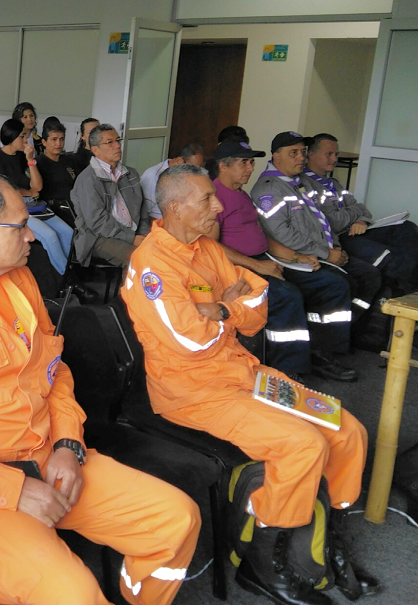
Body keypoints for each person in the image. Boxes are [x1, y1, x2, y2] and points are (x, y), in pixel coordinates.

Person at [0, 171, 200, 605]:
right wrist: (13, 488)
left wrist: (69, 443)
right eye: (21, 225)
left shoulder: (19, 279)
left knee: (177, 520)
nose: (32, 236)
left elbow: (54, 372)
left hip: (49, 458)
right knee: (75, 595)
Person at [122, 163, 372, 605]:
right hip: (195, 392)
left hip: (244, 373)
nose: (218, 206)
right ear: (176, 207)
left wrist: (219, 310)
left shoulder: (206, 248)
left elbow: (258, 302)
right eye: (207, 200)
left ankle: (318, 546)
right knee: (302, 445)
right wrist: (228, 306)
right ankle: (262, 561)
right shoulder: (152, 266)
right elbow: (189, 340)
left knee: (347, 431)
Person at [211, 140, 356, 382]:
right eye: (243, 162)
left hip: (267, 259)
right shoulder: (215, 197)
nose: (250, 168)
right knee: (287, 296)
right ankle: (286, 369)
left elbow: (264, 236)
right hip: (241, 268)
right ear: (223, 166)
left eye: (251, 162)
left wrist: (297, 257)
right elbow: (211, 246)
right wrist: (257, 265)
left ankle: (321, 354)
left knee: (332, 283)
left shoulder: (242, 194)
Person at [251, 132, 382, 349]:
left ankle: (351, 333)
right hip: (293, 258)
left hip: (322, 251)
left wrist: (335, 247)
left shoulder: (299, 183)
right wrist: (327, 254)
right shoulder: (269, 189)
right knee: (339, 284)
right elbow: (283, 233)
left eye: (302, 152)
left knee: (368, 275)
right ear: (276, 156)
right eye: (293, 153)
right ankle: (325, 350)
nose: (301, 158)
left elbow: (322, 221)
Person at [303, 133, 418, 296]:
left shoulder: (333, 183)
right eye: (328, 154)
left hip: (357, 230)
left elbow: (361, 209)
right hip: (338, 237)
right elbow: (334, 222)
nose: (334, 159)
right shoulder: (305, 185)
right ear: (311, 154)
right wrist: (354, 215)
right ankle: (405, 296)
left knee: (407, 228)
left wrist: (362, 221)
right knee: (389, 256)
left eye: (335, 154)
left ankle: (410, 290)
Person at [0, 118, 72, 275]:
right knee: (50, 236)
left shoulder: (22, 157)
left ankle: (66, 275)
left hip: (33, 205)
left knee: (67, 232)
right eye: (22, 136)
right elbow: (1, 191)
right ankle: (67, 277)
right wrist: (28, 192)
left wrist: (30, 160)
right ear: (12, 137)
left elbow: (37, 187)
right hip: (11, 209)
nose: (26, 140)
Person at [69, 123, 149, 267]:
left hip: (132, 232)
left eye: (118, 140)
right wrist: (132, 238)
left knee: (163, 252)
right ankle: (128, 290)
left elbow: (142, 209)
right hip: (98, 237)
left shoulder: (131, 174)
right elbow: (97, 222)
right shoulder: (88, 179)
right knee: (138, 259)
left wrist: (143, 234)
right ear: (95, 150)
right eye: (109, 142)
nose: (117, 146)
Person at [140, 143, 204, 219]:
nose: (195, 172)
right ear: (180, 161)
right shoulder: (153, 176)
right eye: (192, 168)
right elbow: (144, 214)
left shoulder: (186, 174)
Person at [36, 120, 80, 205]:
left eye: (62, 139)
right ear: (44, 142)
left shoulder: (69, 161)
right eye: (54, 139)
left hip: (72, 206)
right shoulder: (38, 163)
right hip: (50, 208)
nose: (58, 143)